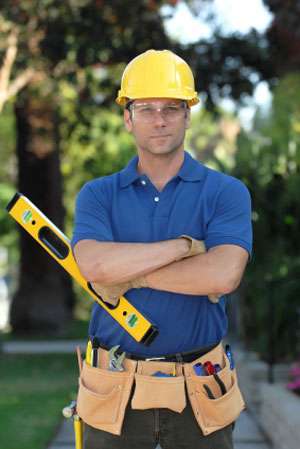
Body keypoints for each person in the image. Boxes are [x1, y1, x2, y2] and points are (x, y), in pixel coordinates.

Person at [71, 49, 252, 449]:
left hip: (200, 389)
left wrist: (130, 275)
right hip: (114, 389)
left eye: (171, 107)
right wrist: (185, 248)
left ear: (188, 115)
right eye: (146, 107)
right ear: (127, 117)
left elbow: (223, 274)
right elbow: (95, 266)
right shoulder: (97, 195)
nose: (159, 119)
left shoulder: (226, 192)